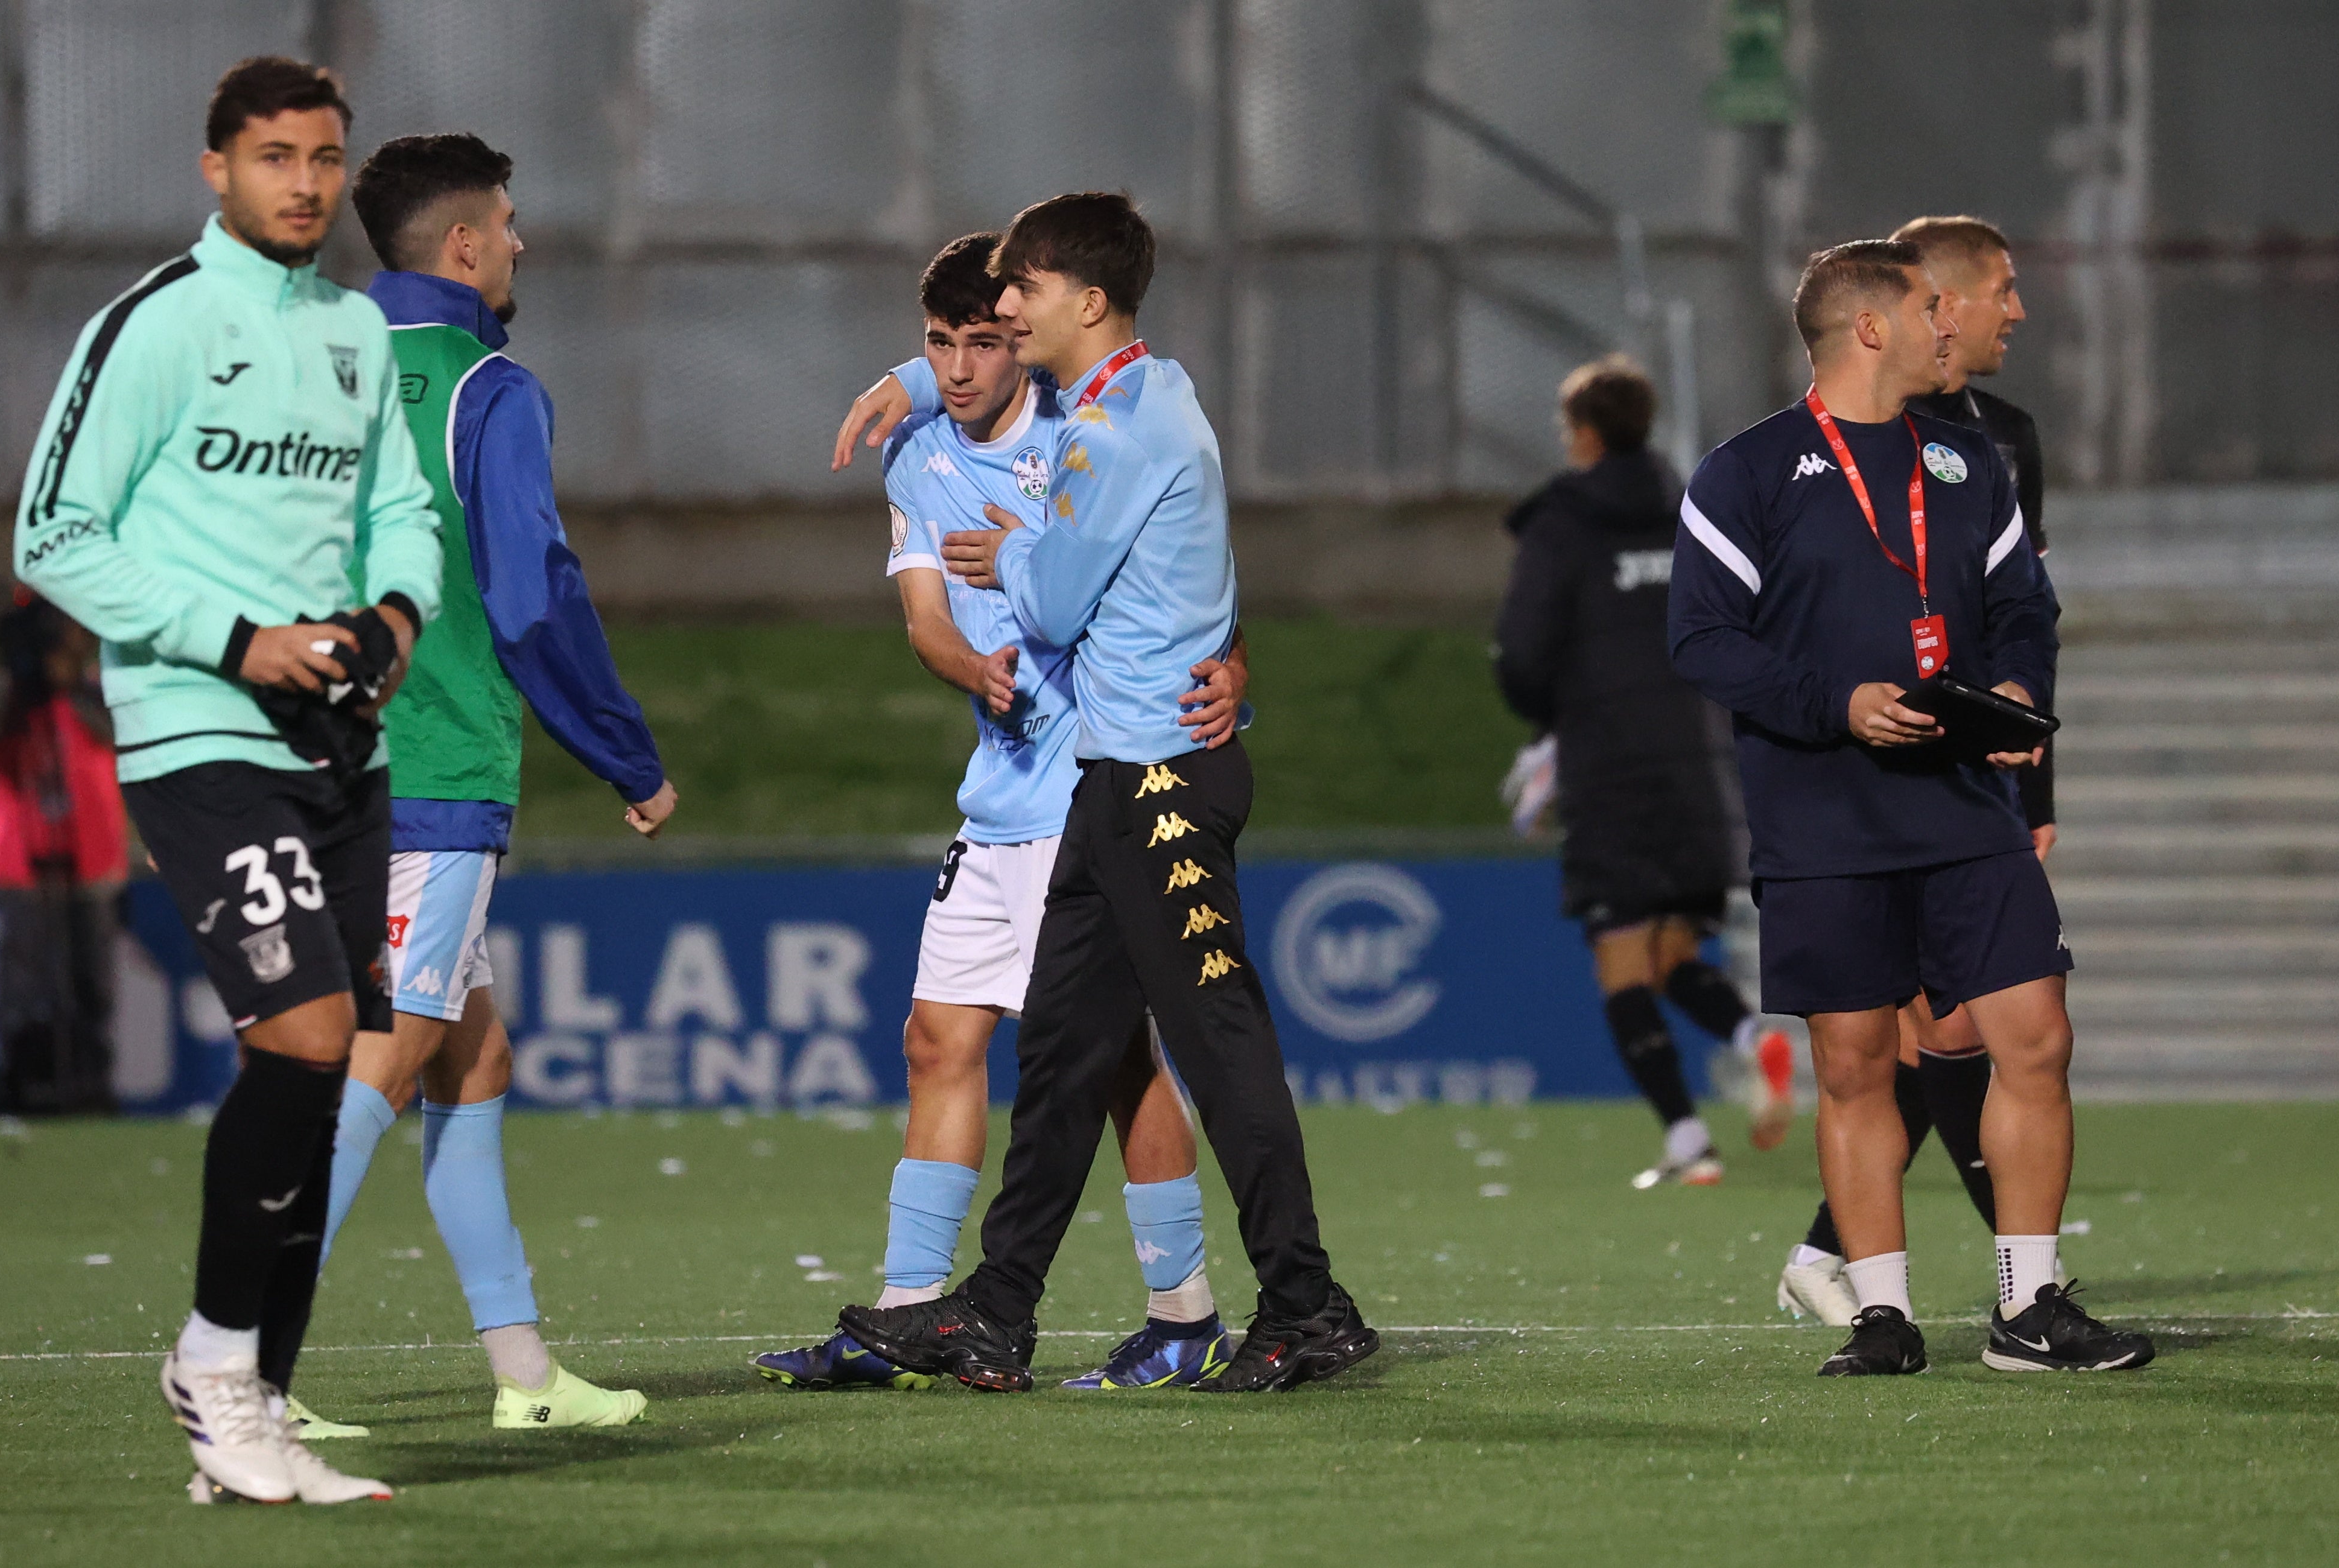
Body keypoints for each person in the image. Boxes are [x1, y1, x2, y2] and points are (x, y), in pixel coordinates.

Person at [837, 193, 1376, 1394]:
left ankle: (1304, 1302)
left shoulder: (1112, 436)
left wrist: (1002, 557)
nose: (1005, 309)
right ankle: (995, 1311)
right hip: (1114, 782)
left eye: (1020, 290)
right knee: (1066, 1061)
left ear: (1082, 302)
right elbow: (1016, 433)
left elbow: (1050, 605)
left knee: (1219, 1046)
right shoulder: (1146, 391)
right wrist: (917, 385)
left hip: (1160, 787)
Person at [13, 56, 438, 1503]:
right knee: (309, 1036)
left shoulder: (353, 334)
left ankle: (255, 1404)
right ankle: (210, 1364)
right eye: (274, 158)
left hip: (341, 748)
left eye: (324, 159)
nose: (305, 185)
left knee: (324, 1083)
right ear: (217, 169)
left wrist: (392, 617)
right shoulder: (154, 324)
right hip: (201, 732)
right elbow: (53, 533)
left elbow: (400, 506)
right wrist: (234, 639)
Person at [752, 233, 1248, 1394]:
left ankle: (1183, 1315)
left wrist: (1234, 661)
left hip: (1097, 789)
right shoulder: (919, 456)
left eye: (986, 339)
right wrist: (966, 669)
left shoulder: (1083, 435)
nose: (963, 366)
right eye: (941, 345)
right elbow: (926, 611)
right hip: (998, 800)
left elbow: (1179, 564)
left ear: (1025, 333)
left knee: (1123, 1065)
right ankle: (909, 1315)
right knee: (941, 1039)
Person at [1669, 238, 2151, 1376]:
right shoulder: (1743, 472)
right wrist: (1837, 704)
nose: (1956, 324)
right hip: (1820, 813)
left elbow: (2024, 604)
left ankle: (2027, 1307)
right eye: (1932, 307)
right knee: (1851, 1064)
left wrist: (2023, 686)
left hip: (1964, 801)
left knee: (2034, 1033)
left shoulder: (1967, 457)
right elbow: (1699, 641)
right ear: (1869, 328)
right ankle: (1882, 1313)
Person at [272, 133, 674, 1442]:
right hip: (432, 781)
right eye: (506, 223)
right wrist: (623, 750)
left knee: (470, 1056)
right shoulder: (486, 387)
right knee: (379, 1067)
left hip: (314, 770)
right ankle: (238, 1368)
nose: (517, 243)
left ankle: (523, 1373)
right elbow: (529, 593)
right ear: (461, 247)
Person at [1776, 215, 2043, 1324]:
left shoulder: (2000, 439)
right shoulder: (1826, 441)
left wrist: (2032, 786)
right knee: (1916, 1033)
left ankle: (1989, 1280)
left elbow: (2024, 606)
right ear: (1926, 305)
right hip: (1848, 784)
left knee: (1959, 1028)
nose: (2009, 312)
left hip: (1966, 782)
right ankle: (1998, 1285)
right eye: (1995, 292)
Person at [1492, 356, 1795, 1189]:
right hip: (1702, 766)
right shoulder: (1697, 509)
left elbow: (1522, 651)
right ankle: (1747, 1038)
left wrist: (1546, 718)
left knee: (1622, 964)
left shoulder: (1563, 522)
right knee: (1670, 957)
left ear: (1583, 433)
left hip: (1611, 767)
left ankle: (1691, 1141)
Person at [0, 592, 129, 1118]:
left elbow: (120, 729)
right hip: (17, 857)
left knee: (92, 984)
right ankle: (22, 1082)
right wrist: (8, 672)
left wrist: (69, 681)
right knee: (22, 985)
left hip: (90, 854)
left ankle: (89, 1080)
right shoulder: (4, 686)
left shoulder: (95, 682)